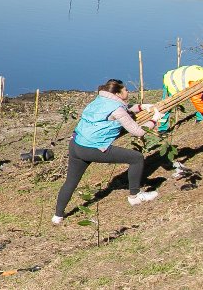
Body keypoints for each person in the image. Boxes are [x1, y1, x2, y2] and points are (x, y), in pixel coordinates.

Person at [53, 79, 159, 224]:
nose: (128, 91)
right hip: (93, 148)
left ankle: (58, 216)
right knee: (136, 158)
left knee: (70, 182)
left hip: (76, 144)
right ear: (117, 93)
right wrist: (154, 119)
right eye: (125, 90)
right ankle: (135, 196)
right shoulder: (117, 108)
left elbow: (125, 109)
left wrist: (142, 107)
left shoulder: (100, 99)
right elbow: (138, 131)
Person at [159, 64, 203, 132]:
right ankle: (162, 129)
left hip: (188, 77)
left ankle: (201, 118)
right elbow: (196, 99)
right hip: (171, 80)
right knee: (167, 106)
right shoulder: (199, 82)